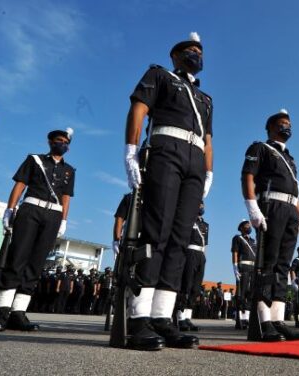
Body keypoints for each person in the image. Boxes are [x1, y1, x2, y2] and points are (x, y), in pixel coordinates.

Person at [123, 32, 213, 350]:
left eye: (199, 52)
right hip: (166, 149)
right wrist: (131, 150)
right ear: (175, 55)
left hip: (195, 161)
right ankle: (138, 319)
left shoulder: (205, 99)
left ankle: (162, 317)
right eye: (189, 51)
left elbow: (209, 139)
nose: (196, 55)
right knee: (156, 230)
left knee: (179, 239)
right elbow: (139, 107)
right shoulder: (160, 75)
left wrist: (209, 171)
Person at [0, 128, 75, 331]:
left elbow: (66, 196)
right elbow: (20, 185)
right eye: (59, 140)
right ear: (50, 142)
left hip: (53, 215)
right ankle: (2, 312)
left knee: (36, 263)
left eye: (66, 142)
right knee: (17, 257)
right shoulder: (34, 160)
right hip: (30, 210)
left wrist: (63, 220)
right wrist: (10, 209)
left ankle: (18, 312)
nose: (63, 144)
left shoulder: (70, 170)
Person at [241, 108, 299, 342]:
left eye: (288, 123)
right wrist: (252, 207)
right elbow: (247, 175)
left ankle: (278, 320)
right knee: (267, 263)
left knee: (282, 267)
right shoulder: (260, 148)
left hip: (290, 211)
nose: (286, 126)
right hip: (271, 207)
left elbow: (295, 189)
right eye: (281, 123)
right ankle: (263, 319)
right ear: (270, 127)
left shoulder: (290, 157)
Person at [176, 202, 208, 331]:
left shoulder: (205, 225)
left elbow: (205, 244)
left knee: (195, 288)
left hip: (201, 254)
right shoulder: (188, 221)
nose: (201, 207)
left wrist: (203, 258)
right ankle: (180, 318)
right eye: (199, 205)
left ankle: (187, 318)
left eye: (202, 206)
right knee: (186, 285)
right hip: (189, 253)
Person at [231, 219, 256, 329]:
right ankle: (239, 318)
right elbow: (235, 252)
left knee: (250, 294)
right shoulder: (237, 238)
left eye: (249, 225)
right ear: (241, 228)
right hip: (243, 267)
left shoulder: (253, 240)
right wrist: (235, 267)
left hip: (253, 267)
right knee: (241, 292)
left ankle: (246, 318)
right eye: (246, 225)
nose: (249, 226)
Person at [111, 193, 132, 260]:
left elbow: (119, 219)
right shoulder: (130, 197)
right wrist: (116, 241)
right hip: (129, 239)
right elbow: (119, 219)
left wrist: (116, 240)